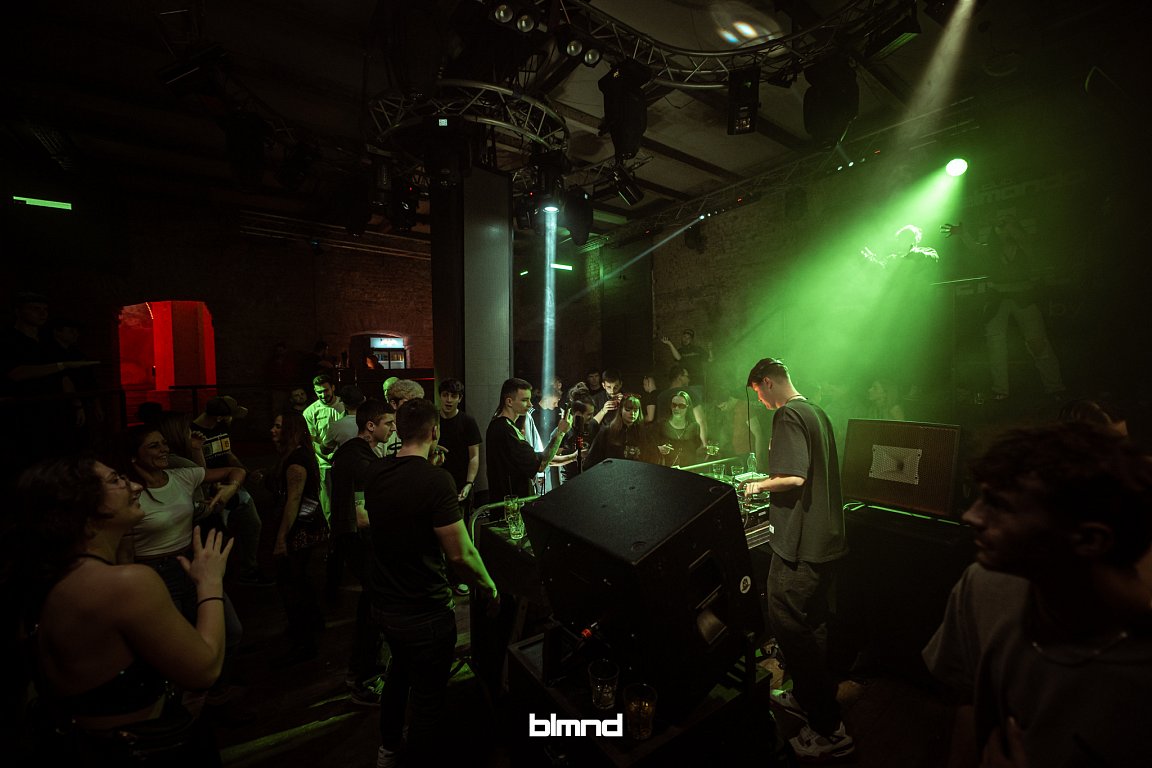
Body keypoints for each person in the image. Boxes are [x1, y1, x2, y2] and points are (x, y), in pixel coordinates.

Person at [923, 422, 1152, 767]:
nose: (970, 516)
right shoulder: (983, 585)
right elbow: (967, 702)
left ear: (1089, 540)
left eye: (999, 505)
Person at [12, 455, 232, 766]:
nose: (136, 486)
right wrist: (209, 583)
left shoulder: (47, 580)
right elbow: (205, 669)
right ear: (83, 506)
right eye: (116, 480)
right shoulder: (125, 584)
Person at [362, 399, 499, 768]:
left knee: (398, 675)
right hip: (424, 609)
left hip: (385, 604)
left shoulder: (376, 472)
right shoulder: (437, 481)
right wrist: (489, 586)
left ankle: (388, 750)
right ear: (435, 431)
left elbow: (401, 512)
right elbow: (461, 555)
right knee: (427, 699)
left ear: (399, 429)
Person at [743, 357, 852, 761]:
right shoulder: (816, 411)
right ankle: (809, 699)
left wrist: (756, 485)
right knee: (814, 623)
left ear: (767, 382)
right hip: (826, 540)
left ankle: (828, 728)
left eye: (759, 394)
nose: (762, 402)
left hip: (800, 545)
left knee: (787, 624)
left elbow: (793, 477)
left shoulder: (787, 414)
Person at [941, 215, 1066, 400]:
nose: (1002, 228)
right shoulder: (991, 249)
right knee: (995, 344)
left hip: (1024, 297)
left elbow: (1025, 240)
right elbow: (975, 247)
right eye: (999, 226)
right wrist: (963, 233)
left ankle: (1055, 387)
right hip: (997, 299)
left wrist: (1009, 225)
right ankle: (1000, 389)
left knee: (1037, 342)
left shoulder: (1024, 245)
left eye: (1006, 224)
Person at [330, 399, 395, 705]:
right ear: (371, 426)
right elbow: (360, 513)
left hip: (355, 539)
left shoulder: (358, 453)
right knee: (373, 608)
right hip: (359, 540)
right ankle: (363, 678)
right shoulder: (357, 458)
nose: (393, 428)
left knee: (372, 604)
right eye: (388, 423)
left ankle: (365, 672)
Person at [269, 410, 329, 666]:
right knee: (301, 582)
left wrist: (281, 538)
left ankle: (304, 643)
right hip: (308, 527)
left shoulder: (296, 461)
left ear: (291, 430)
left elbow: (293, 501)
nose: (273, 430)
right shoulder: (299, 454)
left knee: (293, 586)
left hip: (301, 531)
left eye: (278, 426)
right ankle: (312, 626)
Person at [485, 378, 571, 501]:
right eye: (525, 400)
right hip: (511, 504)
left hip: (510, 501)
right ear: (509, 401)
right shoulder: (505, 429)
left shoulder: (503, 426)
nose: (530, 404)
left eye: (529, 399)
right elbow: (540, 464)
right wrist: (560, 433)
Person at [583, 394, 656, 470]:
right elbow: (592, 459)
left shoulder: (644, 433)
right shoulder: (607, 432)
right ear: (621, 410)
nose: (632, 413)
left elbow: (654, 457)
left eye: (635, 410)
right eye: (628, 410)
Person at [655, 390, 703, 467]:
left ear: (688, 408)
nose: (676, 408)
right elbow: (650, 447)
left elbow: (695, 450)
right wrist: (659, 449)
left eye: (681, 406)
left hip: (688, 468)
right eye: (674, 405)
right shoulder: (661, 425)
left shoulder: (694, 427)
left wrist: (705, 451)